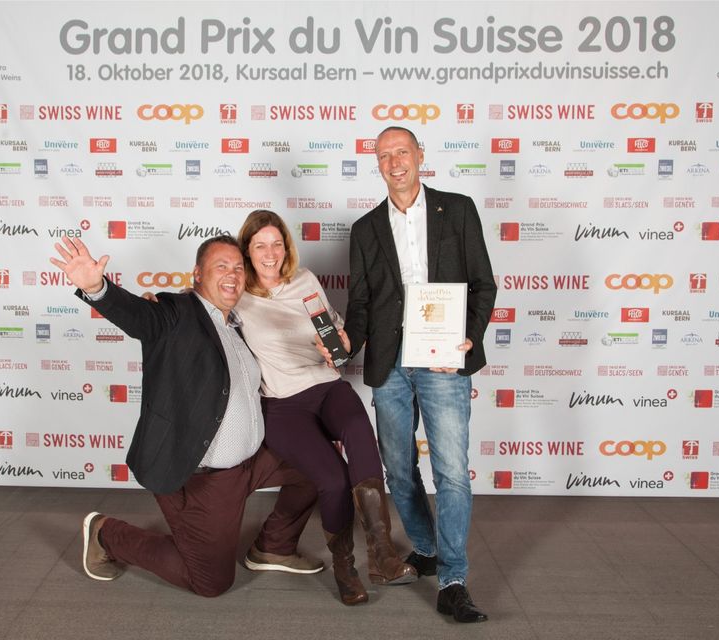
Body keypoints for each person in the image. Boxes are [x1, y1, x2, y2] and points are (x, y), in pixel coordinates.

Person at [49, 235, 323, 597]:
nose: (232, 274)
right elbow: (141, 318)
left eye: (238, 268)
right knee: (211, 583)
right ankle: (106, 534)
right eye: (221, 266)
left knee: (320, 465)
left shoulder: (238, 324)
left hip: (252, 461)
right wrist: (97, 289)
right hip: (204, 478)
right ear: (197, 274)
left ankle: (273, 546)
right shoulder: (175, 312)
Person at [326, 127, 496, 622]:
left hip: (444, 358)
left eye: (402, 152)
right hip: (390, 362)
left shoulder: (457, 209)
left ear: (420, 155)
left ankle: (453, 580)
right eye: (384, 155)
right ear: (377, 164)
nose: (394, 162)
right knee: (399, 471)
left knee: (450, 472)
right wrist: (345, 345)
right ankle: (425, 546)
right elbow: (360, 305)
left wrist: (469, 339)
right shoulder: (365, 228)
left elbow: (483, 284)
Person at [231, 209, 415, 605]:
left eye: (276, 244)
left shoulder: (305, 279)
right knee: (333, 479)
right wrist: (156, 301)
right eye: (260, 246)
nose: (270, 253)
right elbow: (194, 306)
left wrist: (341, 347)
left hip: (327, 385)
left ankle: (382, 554)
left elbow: (334, 330)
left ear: (286, 247)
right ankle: (345, 567)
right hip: (283, 403)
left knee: (360, 431)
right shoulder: (237, 294)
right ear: (247, 251)